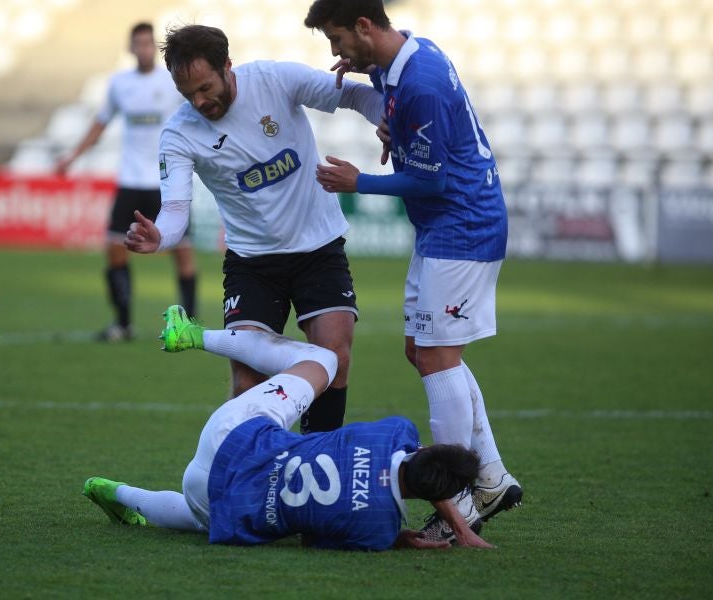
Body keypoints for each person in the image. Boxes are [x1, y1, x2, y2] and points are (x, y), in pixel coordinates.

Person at [303, 0, 522, 541]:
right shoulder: (410, 53)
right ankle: (490, 477)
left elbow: (434, 181)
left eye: (337, 40)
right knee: (420, 351)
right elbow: (398, 92)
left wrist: (360, 183)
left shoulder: (419, 81)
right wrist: (367, 74)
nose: (335, 53)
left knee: (438, 355)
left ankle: (460, 500)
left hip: (462, 226)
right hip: (442, 231)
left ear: (363, 26)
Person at [124, 24, 384, 434]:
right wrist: (160, 237)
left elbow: (354, 94)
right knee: (248, 382)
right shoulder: (178, 133)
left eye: (205, 87)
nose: (199, 101)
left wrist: (389, 121)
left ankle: (315, 463)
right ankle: (239, 478)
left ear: (228, 66)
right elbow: (174, 210)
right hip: (252, 263)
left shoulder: (274, 80)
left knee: (335, 357)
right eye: (187, 93)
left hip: (319, 248)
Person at [83, 305, 494, 550]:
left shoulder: (392, 435)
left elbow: (418, 459)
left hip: (232, 436)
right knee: (200, 518)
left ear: (422, 450)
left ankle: (192, 334)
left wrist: (457, 518)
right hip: (218, 500)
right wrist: (405, 538)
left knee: (325, 361)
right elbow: (316, 538)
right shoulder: (376, 530)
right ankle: (119, 492)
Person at [55, 22, 197, 342]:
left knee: (182, 251)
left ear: (155, 47)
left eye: (149, 43)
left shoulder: (172, 80)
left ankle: (189, 322)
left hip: (165, 182)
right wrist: (72, 157)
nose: (144, 49)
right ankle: (123, 323)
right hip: (131, 181)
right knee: (115, 250)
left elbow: (196, 118)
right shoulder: (120, 84)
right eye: (139, 44)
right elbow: (100, 122)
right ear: (131, 48)